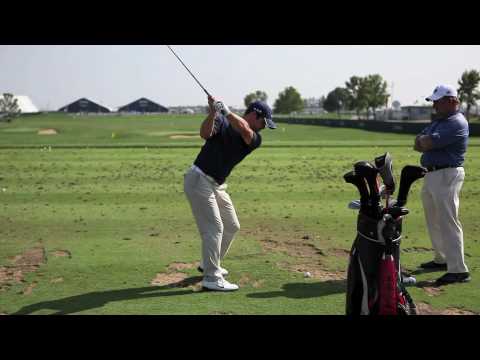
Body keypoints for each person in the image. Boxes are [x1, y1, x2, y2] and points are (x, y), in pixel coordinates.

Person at [184, 96, 276, 291]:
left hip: (216, 185)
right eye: (263, 122)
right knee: (214, 227)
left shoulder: (254, 138)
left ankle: (208, 263)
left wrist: (226, 110)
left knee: (232, 225)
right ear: (254, 114)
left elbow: (244, 129)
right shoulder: (222, 121)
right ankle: (211, 277)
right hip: (199, 179)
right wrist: (213, 113)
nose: (264, 127)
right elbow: (204, 133)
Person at [414, 84, 470, 285]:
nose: (434, 105)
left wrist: (424, 141)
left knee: (448, 221)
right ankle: (442, 259)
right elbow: (417, 142)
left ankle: (458, 270)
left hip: (447, 174)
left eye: (438, 102)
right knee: (433, 220)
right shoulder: (439, 121)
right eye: (434, 102)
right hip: (432, 174)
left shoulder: (456, 122)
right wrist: (423, 140)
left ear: (452, 101)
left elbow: (425, 143)